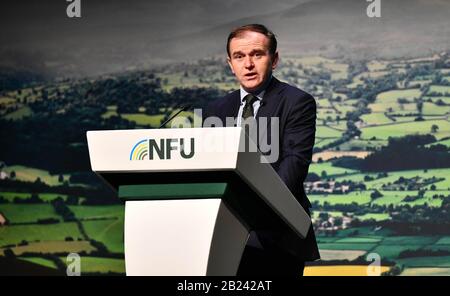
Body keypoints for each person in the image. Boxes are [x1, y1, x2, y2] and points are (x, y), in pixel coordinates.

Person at [204, 24, 320, 276]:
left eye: (257, 54)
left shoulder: (297, 102)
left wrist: (248, 211)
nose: (248, 64)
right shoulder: (216, 110)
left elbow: (293, 164)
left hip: (277, 236)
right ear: (230, 63)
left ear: (274, 59)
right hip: (222, 238)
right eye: (239, 56)